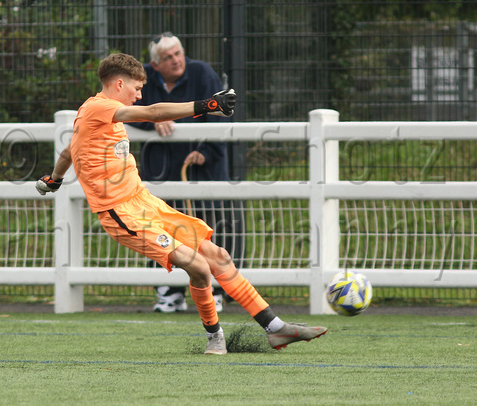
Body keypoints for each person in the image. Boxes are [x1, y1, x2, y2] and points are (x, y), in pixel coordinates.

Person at [36, 52, 327, 355]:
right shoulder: (101, 107)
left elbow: (71, 150)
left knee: (218, 256)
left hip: (144, 203)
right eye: (136, 88)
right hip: (121, 213)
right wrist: (206, 106)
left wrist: (54, 179)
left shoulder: (93, 114)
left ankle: (275, 328)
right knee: (199, 266)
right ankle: (215, 337)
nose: (139, 94)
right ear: (118, 83)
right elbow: (154, 112)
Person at [129, 32, 237, 314]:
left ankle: (215, 290)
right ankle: (169, 292)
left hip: (204, 169)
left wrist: (207, 151)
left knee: (207, 230)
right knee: (163, 232)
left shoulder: (202, 72)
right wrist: (153, 122)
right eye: (168, 57)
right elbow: (127, 110)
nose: (177, 60)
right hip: (161, 171)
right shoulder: (145, 81)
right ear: (155, 65)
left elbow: (223, 109)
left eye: (179, 53)